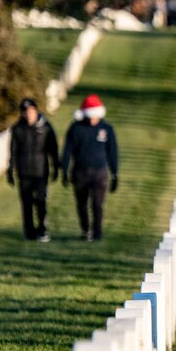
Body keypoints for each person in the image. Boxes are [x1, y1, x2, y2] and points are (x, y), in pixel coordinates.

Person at [61, 94, 118, 241]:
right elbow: (67, 150)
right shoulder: (76, 128)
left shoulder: (107, 129)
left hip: (100, 172)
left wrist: (115, 173)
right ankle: (86, 230)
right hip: (80, 172)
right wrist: (64, 170)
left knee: (97, 204)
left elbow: (112, 152)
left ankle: (97, 233)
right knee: (81, 204)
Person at [7, 98, 60, 242]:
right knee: (26, 203)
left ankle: (42, 230)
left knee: (41, 201)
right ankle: (29, 231)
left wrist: (56, 166)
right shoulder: (18, 129)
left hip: (41, 172)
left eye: (30, 111)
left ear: (35, 111)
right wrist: (10, 170)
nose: (28, 114)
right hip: (24, 172)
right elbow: (13, 151)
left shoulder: (45, 127)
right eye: (25, 112)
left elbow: (53, 148)